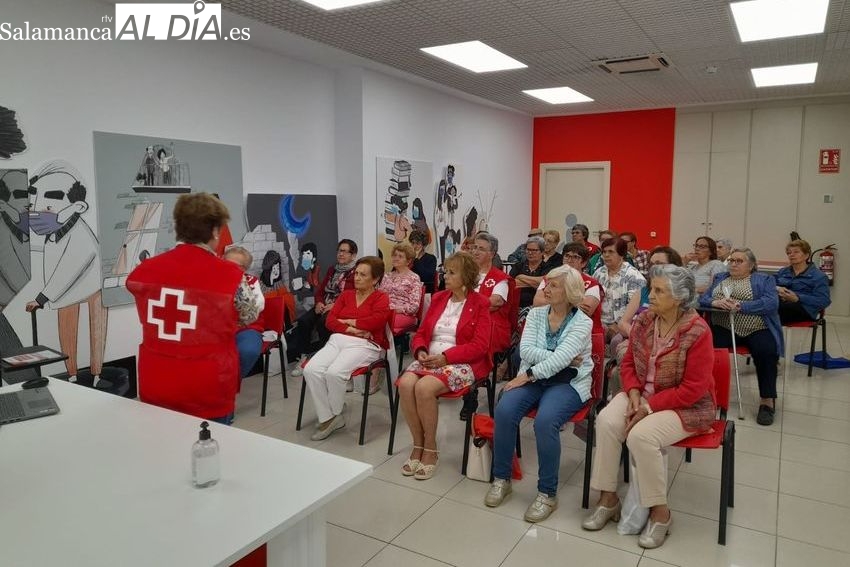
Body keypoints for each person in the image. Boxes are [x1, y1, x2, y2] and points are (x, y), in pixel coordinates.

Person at [584, 265, 715, 550]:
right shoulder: (645, 321)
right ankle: (608, 498)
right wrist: (632, 392)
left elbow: (694, 388)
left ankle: (660, 513)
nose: (650, 296)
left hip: (684, 405)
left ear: (679, 298)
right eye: (651, 289)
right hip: (640, 394)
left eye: (658, 291)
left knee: (641, 437)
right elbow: (628, 362)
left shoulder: (697, 331)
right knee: (606, 421)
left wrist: (648, 406)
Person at [127, 193, 261, 423]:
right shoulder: (230, 275)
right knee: (208, 451)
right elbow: (249, 313)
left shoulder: (145, 270)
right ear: (215, 231)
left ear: (178, 227)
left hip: (157, 378)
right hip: (207, 384)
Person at [485, 265, 593, 523]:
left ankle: (547, 493)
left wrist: (531, 374)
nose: (545, 289)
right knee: (505, 409)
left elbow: (561, 363)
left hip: (567, 383)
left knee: (545, 422)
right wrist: (561, 359)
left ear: (569, 291)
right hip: (536, 376)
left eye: (553, 285)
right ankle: (502, 479)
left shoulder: (583, 322)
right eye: (547, 284)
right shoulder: (535, 314)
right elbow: (526, 352)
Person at [396, 252, 492, 480]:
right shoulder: (439, 298)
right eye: (445, 271)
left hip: (462, 362)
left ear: (466, 276)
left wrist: (446, 357)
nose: (445, 276)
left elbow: (480, 345)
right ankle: (417, 444)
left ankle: (430, 449)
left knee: (424, 388)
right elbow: (421, 333)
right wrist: (420, 350)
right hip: (429, 358)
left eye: (451, 272)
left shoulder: (481, 303)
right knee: (405, 383)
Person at [303, 256, 391, 441]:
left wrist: (350, 320)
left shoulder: (381, 297)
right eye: (356, 273)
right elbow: (330, 321)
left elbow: (377, 321)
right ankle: (330, 417)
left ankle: (331, 416)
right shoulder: (346, 295)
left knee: (334, 373)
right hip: (338, 340)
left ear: (375, 279)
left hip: (366, 344)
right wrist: (354, 328)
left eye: (363, 275)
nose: (357, 277)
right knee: (311, 369)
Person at [700, 248, 783, 425]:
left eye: (739, 261)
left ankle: (767, 401)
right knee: (700, 349)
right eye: (731, 260)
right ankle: (704, 394)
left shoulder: (765, 279)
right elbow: (703, 299)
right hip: (723, 327)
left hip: (755, 327)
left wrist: (741, 306)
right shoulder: (720, 278)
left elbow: (771, 303)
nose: (733, 264)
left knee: (767, 352)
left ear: (751, 265)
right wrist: (716, 302)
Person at [289, 239, 358, 376]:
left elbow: (355, 296)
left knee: (324, 322)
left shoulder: (356, 272)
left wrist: (336, 306)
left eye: (344, 251)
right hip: (325, 304)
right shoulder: (333, 269)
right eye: (339, 251)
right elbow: (320, 290)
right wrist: (319, 302)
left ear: (353, 255)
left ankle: (324, 359)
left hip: (342, 307)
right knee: (303, 321)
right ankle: (305, 356)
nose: (340, 254)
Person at [533, 242, 603, 335]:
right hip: (550, 328)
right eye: (567, 256)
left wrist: (554, 301)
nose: (570, 260)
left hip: (582, 332)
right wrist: (571, 302)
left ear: (584, 263)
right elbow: (537, 303)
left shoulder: (592, 284)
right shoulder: (549, 278)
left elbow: (584, 312)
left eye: (575, 257)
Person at [617, 246, 684, 342]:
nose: (654, 267)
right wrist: (637, 336)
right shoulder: (642, 291)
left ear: (673, 267)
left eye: (659, 264)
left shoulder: (680, 294)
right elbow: (623, 322)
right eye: (651, 264)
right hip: (638, 339)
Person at [593, 237, 646, 348]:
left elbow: (636, 308)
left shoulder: (633, 276)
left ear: (622, 254)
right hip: (599, 323)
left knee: (614, 341)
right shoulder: (599, 273)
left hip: (622, 324)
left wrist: (617, 325)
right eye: (604, 252)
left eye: (611, 252)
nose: (606, 255)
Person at [223, 246, 266, 379]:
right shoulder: (215, 279)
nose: (228, 267)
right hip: (220, 328)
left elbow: (259, 305)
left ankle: (232, 381)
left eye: (235, 265)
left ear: (244, 269)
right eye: (226, 262)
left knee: (248, 350)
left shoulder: (251, 282)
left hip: (246, 327)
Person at [471, 233, 511, 353]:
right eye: (474, 247)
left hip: (489, 324)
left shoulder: (500, 278)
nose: (476, 252)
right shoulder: (466, 274)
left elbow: (496, 302)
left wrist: (467, 306)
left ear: (492, 254)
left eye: (481, 249)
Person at [775, 239, 831, 324]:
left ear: (806, 255)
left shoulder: (819, 276)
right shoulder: (783, 272)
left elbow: (824, 301)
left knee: (769, 308)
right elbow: (768, 284)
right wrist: (778, 288)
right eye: (789, 253)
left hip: (804, 310)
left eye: (796, 252)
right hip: (781, 306)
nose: (792, 255)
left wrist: (798, 298)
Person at [379, 242, 422, 332]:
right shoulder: (387, 276)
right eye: (394, 255)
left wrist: (395, 309)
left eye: (400, 256)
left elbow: (414, 306)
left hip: (403, 314)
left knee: (380, 322)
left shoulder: (414, 278)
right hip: (384, 312)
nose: (396, 258)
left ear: (408, 261)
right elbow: (379, 297)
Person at [509, 235, 548, 309]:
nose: (530, 253)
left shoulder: (547, 267)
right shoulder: (518, 266)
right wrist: (536, 283)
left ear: (542, 252)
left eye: (534, 250)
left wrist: (521, 277)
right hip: (518, 305)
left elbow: (545, 284)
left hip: (539, 307)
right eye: (528, 249)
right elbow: (512, 283)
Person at [409, 230, 437, 294]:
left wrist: (416, 259)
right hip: (408, 290)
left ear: (423, 245)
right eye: (413, 243)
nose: (414, 246)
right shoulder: (407, 258)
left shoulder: (431, 258)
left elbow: (427, 277)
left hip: (425, 291)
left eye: (418, 243)